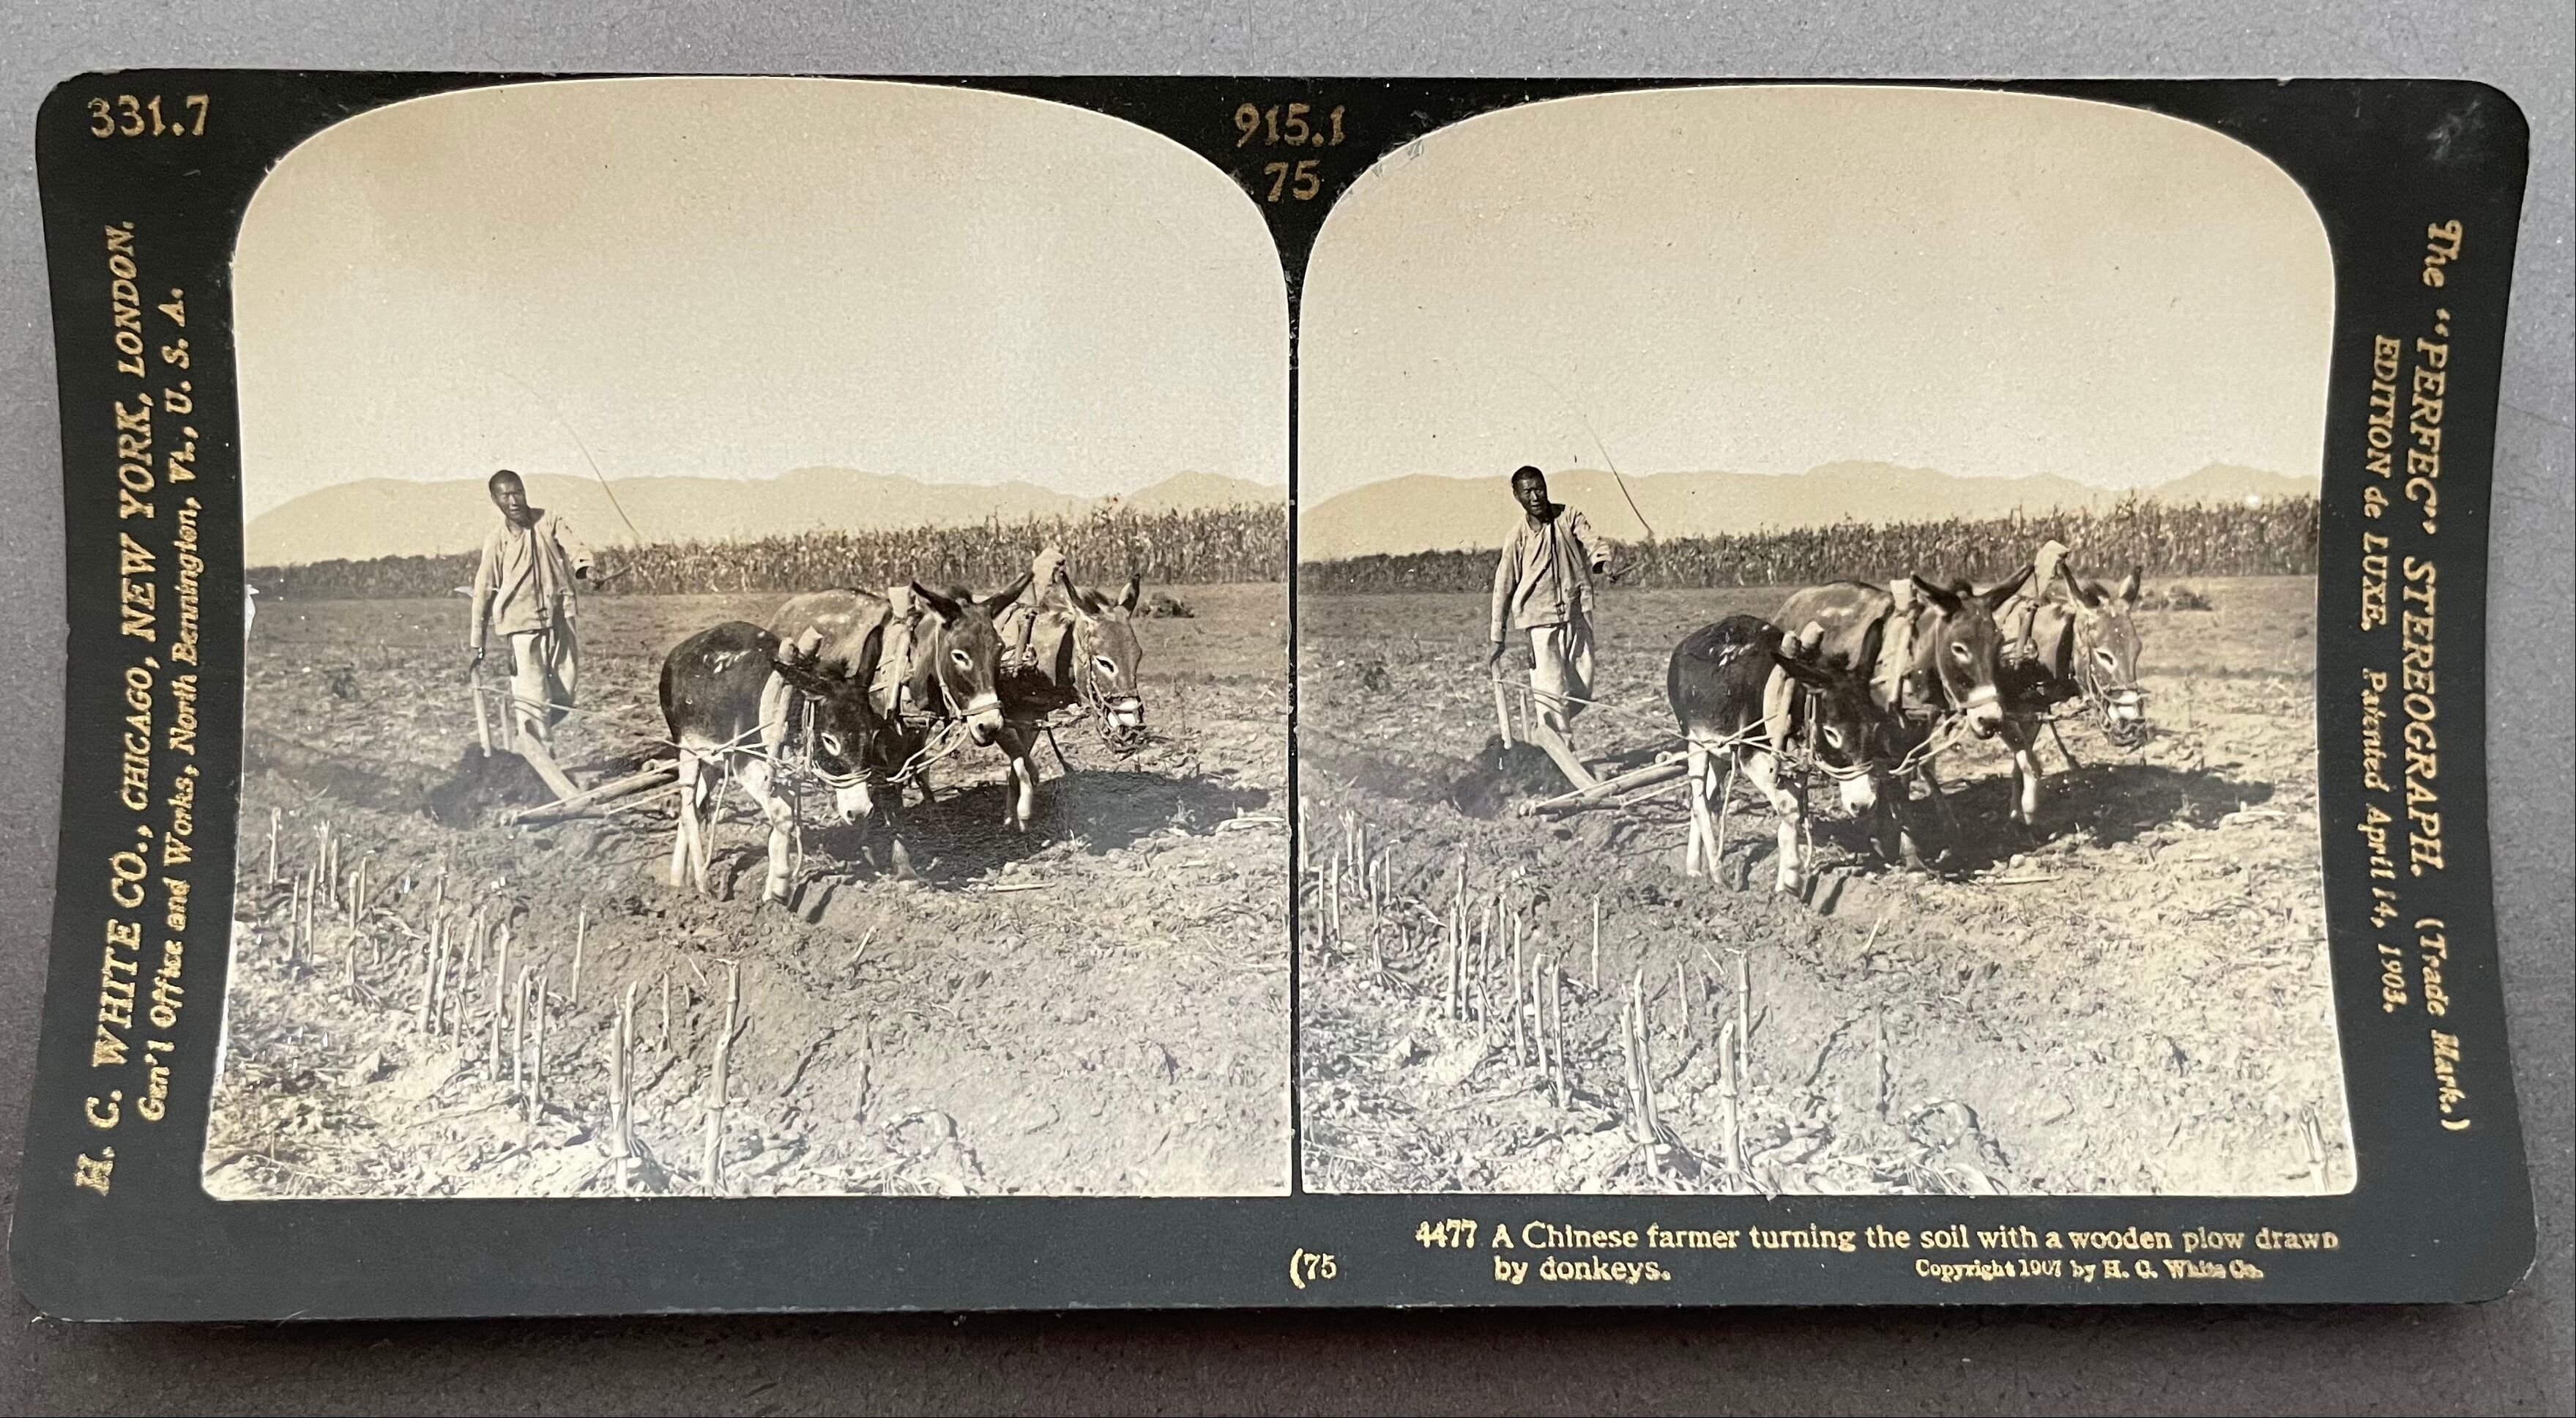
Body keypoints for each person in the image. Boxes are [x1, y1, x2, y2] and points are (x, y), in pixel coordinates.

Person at [1487, 464, 1615, 787]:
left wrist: (1602, 560)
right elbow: (1503, 585)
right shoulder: (1517, 538)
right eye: (1527, 492)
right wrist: (1497, 635)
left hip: (1576, 612)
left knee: (1583, 687)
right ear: (1517, 496)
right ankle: (1565, 762)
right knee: (1551, 694)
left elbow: (1592, 540)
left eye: (1539, 488)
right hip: (1539, 622)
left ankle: (1547, 736)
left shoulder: (1568, 516)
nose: (1535, 496)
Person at [466, 469, 591, 788]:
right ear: (495, 501)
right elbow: (483, 589)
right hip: (521, 630)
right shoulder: (497, 541)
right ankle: (543, 772)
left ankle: (531, 744)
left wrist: (585, 567)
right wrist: (477, 640)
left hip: (560, 620)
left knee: (564, 693)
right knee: (532, 701)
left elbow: (575, 547)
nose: (514, 501)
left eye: (518, 492)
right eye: (505, 496)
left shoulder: (549, 522)